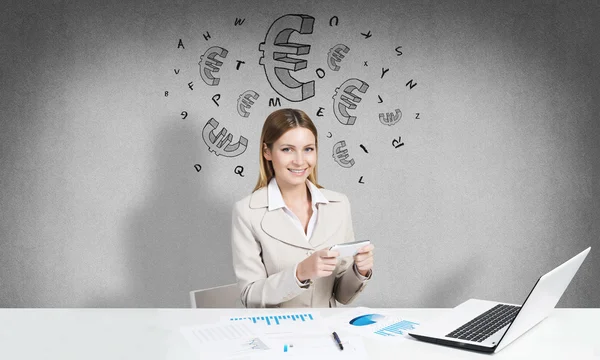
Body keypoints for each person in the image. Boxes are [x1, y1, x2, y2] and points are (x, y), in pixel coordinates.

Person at [231, 108, 374, 308]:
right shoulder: (247, 211)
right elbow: (250, 295)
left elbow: (342, 296)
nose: (300, 161)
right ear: (267, 152)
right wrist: (300, 273)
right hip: (277, 333)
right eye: (287, 149)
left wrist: (360, 271)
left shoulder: (339, 205)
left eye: (308, 149)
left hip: (327, 332)